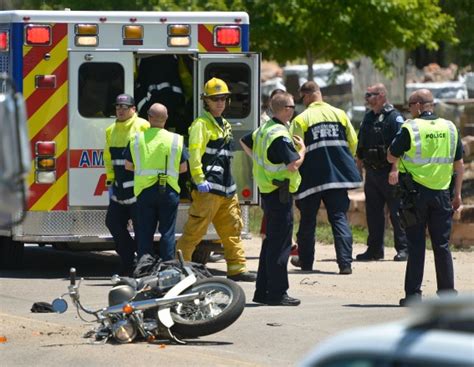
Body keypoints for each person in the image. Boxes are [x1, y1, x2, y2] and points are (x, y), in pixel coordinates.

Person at [387, 89, 464, 306]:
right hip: (442, 193)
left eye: (410, 105)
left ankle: (413, 295)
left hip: (415, 195)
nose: (409, 110)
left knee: (416, 244)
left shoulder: (410, 127)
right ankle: (447, 295)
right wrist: (457, 194)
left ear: (419, 105)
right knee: (441, 245)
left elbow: (391, 155)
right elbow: (459, 165)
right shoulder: (450, 127)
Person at [176, 77, 256, 282]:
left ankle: (237, 269)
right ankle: (178, 269)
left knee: (232, 231)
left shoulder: (224, 125)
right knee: (195, 232)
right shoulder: (201, 125)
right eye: (215, 99)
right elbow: (194, 154)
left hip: (227, 189)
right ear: (206, 101)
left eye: (223, 98)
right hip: (208, 189)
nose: (220, 102)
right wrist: (199, 179)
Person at [290, 81, 362, 274]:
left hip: (310, 179)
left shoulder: (301, 119)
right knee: (339, 218)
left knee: (307, 221)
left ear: (306, 96)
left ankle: (306, 264)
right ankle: (345, 264)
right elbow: (352, 143)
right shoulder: (340, 114)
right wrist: (343, 161)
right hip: (337, 177)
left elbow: (295, 151)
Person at [240, 92, 305, 306]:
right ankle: (277, 293)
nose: (294, 109)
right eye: (293, 106)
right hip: (280, 194)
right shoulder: (279, 135)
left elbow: (244, 141)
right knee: (280, 245)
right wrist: (303, 150)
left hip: (269, 192)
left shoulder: (264, 129)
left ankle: (262, 291)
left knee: (270, 243)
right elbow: (293, 164)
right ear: (285, 109)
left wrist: (259, 163)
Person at [124, 103, 188, 261]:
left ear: (149, 118)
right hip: (169, 190)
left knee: (144, 232)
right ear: (166, 118)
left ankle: (145, 267)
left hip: (145, 191)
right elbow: (183, 168)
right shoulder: (176, 140)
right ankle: (168, 268)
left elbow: (128, 166)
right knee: (168, 232)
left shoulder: (136, 139)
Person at [356, 83, 408, 262]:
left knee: (397, 212)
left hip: (389, 173)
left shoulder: (394, 118)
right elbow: (361, 145)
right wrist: (359, 168)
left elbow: (401, 147)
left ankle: (403, 248)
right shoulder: (368, 118)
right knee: (373, 213)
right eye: (367, 94)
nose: (367, 98)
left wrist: (395, 169)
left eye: (370, 95)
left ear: (381, 96)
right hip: (372, 173)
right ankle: (375, 249)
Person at [104, 93, 150, 275]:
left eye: (125, 107)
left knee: (141, 228)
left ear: (134, 109)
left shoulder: (143, 126)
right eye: (118, 107)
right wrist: (110, 179)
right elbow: (108, 157)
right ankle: (127, 258)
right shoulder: (110, 130)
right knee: (112, 222)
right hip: (119, 187)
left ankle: (143, 265)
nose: (120, 110)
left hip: (138, 187)